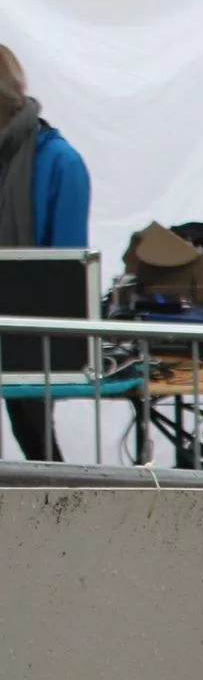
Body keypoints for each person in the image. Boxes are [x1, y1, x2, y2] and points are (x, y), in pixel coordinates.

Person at [0, 44, 90, 462]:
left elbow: (65, 270)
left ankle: (58, 498)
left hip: (29, 333)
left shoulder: (59, 162)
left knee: (33, 434)